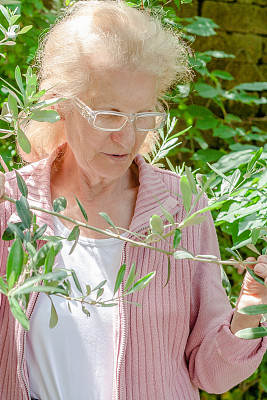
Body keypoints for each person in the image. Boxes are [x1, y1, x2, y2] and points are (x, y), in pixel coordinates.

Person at [0, 1, 266, 399]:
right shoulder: (11, 206)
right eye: (108, 114)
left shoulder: (183, 209)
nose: (127, 138)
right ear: (60, 104)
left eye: (143, 115)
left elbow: (211, 374)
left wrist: (255, 301)